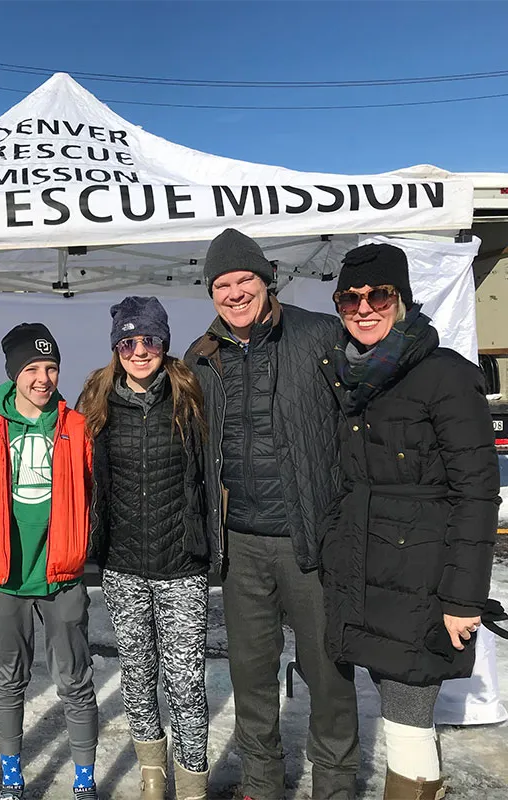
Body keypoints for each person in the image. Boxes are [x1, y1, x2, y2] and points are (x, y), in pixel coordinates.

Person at [319, 243, 500, 800]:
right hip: (367, 575)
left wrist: (463, 598)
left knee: (407, 715)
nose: (363, 308)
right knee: (400, 709)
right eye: (350, 298)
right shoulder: (348, 375)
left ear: (402, 300)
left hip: (422, 581)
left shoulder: (445, 376)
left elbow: (477, 493)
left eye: (378, 295)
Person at [185, 229, 360, 800]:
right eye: (222, 285)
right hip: (240, 543)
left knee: (327, 670)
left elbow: (363, 414)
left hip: (309, 537)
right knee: (251, 673)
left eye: (245, 281)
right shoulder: (201, 357)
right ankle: (261, 781)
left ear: (267, 281)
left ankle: (334, 785)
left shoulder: (320, 335)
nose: (235, 293)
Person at [79, 296, 211, 800]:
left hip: (182, 564)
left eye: (149, 340)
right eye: (128, 342)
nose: (139, 351)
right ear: (116, 347)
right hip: (123, 565)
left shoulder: (189, 393)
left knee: (186, 681)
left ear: (164, 343)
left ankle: (193, 785)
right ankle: (152, 775)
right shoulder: (97, 398)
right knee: (137, 675)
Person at [0, 323, 98, 800]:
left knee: (75, 679)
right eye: (32, 369)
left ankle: (84, 778)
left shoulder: (75, 426)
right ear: (14, 373)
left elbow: (92, 489)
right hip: (6, 575)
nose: (43, 378)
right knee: (8, 679)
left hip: (61, 573)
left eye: (51, 367)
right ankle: (11, 774)